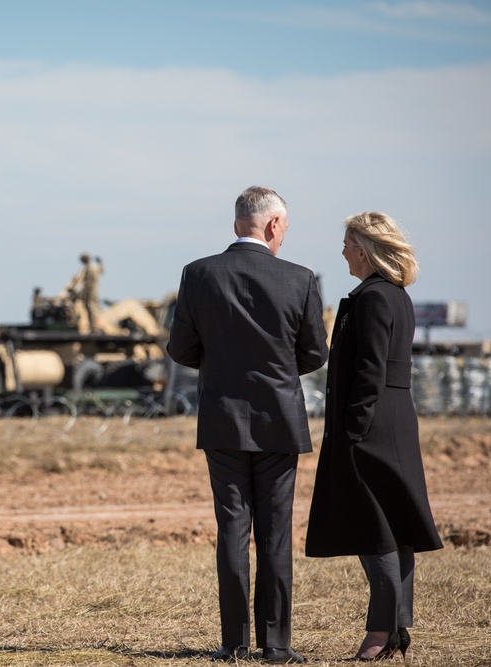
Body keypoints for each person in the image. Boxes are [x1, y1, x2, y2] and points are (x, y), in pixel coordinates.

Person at [168, 186, 328, 664]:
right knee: (275, 532)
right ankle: (276, 644)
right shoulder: (298, 278)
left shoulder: (198, 274)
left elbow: (180, 349)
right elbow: (316, 352)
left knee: (232, 531)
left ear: (239, 222)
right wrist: (275, 371)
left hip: (222, 418)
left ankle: (234, 643)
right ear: (274, 225)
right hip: (279, 419)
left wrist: (221, 366)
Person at [305, 212, 442, 661]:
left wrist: (353, 429)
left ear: (363, 250)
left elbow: (369, 372)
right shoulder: (393, 295)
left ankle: (380, 633)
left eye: (346, 243)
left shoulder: (373, 299)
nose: (342, 250)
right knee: (394, 527)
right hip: (392, 420)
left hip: (372, 425)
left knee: (376, 531)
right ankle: (398, 628)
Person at [64, 253, 104, 332]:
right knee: (91, 307)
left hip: (91, 291)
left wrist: (82, 292)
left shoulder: (89, 268)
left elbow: (88, 283)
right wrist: (100, 263)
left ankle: (94, 327)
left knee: (91, 307)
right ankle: (93, 327)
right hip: (93, 290)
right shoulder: (93, 267)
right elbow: (101, 271)